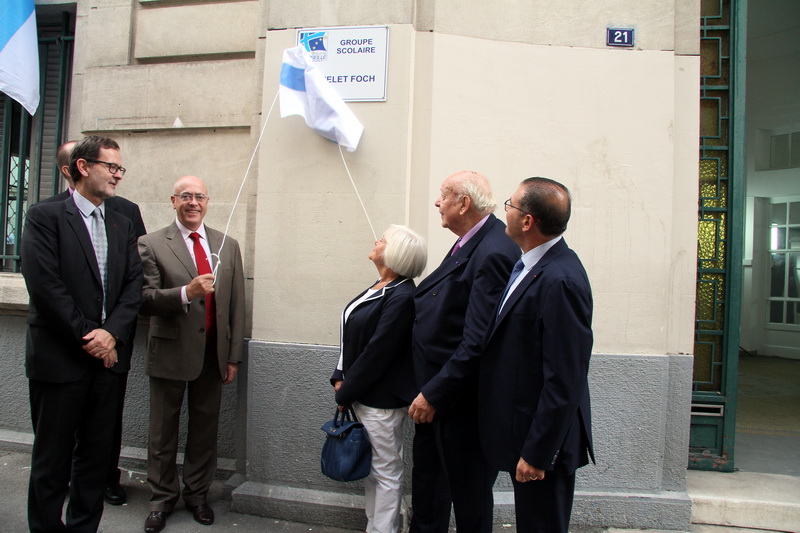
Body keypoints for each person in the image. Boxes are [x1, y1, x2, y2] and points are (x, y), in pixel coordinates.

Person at [21, 135, 143, 532]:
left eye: (120, 168)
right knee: (52, 462)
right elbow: (46, 288)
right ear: (83, 167)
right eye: (111, 167)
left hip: (107, 364)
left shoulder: (122, 222)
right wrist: (93, 338)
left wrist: (112, 335)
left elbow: (133, 287)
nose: (118, 175)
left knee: (94, 461)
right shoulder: (45, 216)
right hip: (61, 361)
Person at [479, 177, 594, 533]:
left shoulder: (561, 279)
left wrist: (538, 452)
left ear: (527, 221)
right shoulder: (530, 265)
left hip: (542, 444)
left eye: (510, 205)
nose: (505, 211)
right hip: (524, 432)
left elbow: (565, 378)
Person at [407, 171, 519, 533]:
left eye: (444, 195)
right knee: (430, 485)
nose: (437, 202)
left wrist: (434, 394)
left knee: (469, 497)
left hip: (459, 402)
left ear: (464, 203)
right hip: (439, 392)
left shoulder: (493, 250)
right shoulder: (471, 242)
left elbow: (477, 340)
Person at [137, 175, 245, 533]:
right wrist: (187, 292)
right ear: (173, 201)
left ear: (208, 202)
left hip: (212, 356)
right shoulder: (151, 244)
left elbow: (236, 306)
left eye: (199, 196)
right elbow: (144, 300)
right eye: (186, 196)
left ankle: (197, 495)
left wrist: (232, 357)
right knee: (162, 434)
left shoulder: (227, 245)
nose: (193, 202)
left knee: (204, 432)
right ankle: (161, 500)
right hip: (170, 352)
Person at [330, 225, 428, 533]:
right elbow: (352, 336)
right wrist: (339, 375)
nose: (376, 241)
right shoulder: (380, 286)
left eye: (383, 240)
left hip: (380, 400)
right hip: (361, 393)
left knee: (385, 471)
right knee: (373, 471)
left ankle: (383, 529)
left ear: (396, 253)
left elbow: (378, 352)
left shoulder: (402, 296)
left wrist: (346, 392)